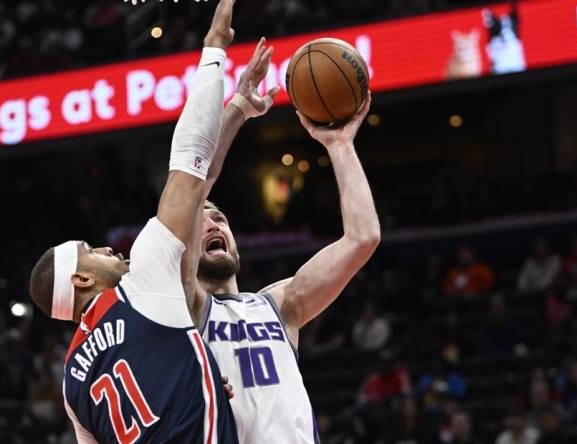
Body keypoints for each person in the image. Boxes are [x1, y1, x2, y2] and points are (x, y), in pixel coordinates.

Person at [27, 2, 243, 442]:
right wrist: (214, 51)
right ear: (82, 279)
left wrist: (195, 385)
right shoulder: (140, 282)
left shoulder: (72, 383)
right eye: (92, 251)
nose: (107, 249)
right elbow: (188, 164)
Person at [188, 78, 380, 441]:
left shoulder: (279, 304)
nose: (214, 223)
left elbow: (362, 237)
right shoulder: (185, 308)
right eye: (202, 221)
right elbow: (191, 188)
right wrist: (236, 111)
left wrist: (340, 145)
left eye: (221, 220)